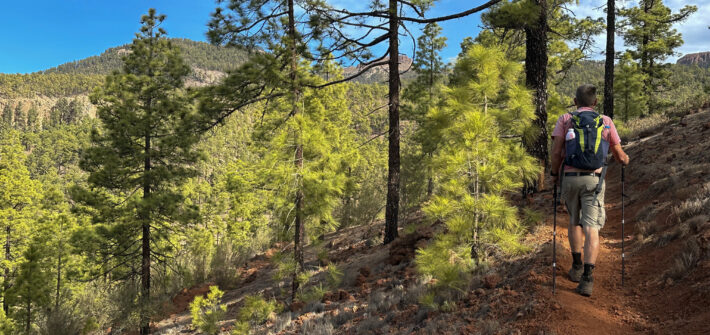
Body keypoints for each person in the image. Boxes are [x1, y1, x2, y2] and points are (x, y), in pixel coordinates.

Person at [550, 84, 630, 297]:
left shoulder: (565, 120)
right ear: (595, 103)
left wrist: (553, 174)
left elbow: (557, 152)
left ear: (575, 101)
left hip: (570, 178)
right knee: (591, 227)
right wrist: (625, 160)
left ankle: (576, 267)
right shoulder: (605, 121)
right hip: (594, 180)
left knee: (574, 221)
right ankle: (587, 278)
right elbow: (619, 154)